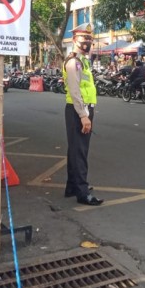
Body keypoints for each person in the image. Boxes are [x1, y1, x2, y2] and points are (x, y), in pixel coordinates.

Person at [63, 23, 103, 206]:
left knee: (76, 149)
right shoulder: (74, 63)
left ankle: (72, 186)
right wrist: (83, 115)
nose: (87, 41)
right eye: (83, 37)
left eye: (89, 38)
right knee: (80, 151)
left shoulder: (83, 61)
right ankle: (82, 192)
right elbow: (74, 91)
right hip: (78, 110)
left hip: (83, 109)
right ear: (74, 40)